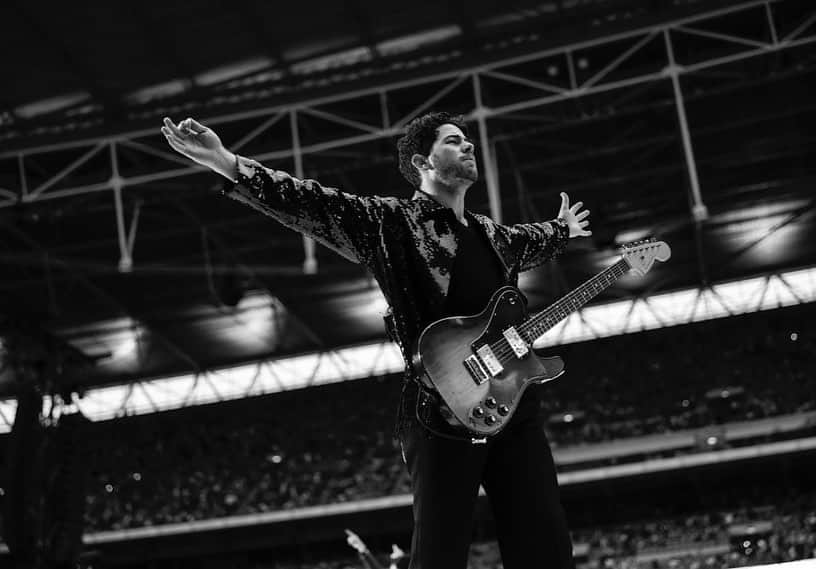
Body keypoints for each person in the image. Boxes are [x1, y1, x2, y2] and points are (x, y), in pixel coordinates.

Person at [161, 111, 591, 568]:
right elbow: (311, 203)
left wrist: (562, 229)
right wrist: (228, 163)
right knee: (439, 553)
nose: (468, 146)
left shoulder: (492, 235)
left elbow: (533, 239)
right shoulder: (392, 223)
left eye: (467, 140)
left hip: (512, 405)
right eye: (453, 141)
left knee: (545, 540)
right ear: (425, 162)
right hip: (439, 407)